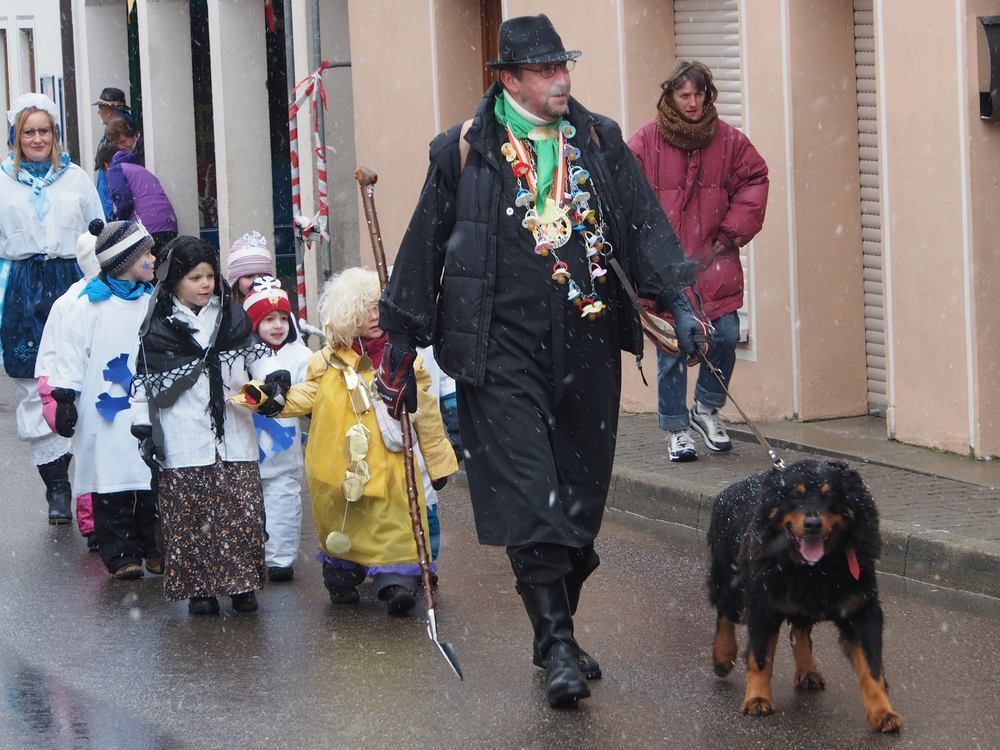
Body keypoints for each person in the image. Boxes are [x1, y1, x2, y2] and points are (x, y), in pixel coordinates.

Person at [377, 14, 709, 707]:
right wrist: (401, 348)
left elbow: (645, 225)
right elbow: (421, 251)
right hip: (498, 351)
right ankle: (557, 643)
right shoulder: (463, 151)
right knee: (534, 498)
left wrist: (679, 299)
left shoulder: (597, 140)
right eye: (545, 70)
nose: (562, 80)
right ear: (509, 80)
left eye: (565, 68)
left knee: (581, 505)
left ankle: (551, 619)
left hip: (587, 343)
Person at [240, 267, 457, 616]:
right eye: (365, 309)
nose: (375, 317)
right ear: (346, 314)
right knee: (344, 521)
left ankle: (396, 578)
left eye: (379, 307)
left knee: (393, 519)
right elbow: (304, 397)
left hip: (391, 467)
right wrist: (270, 398)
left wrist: (438, 461)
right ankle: (342, 571)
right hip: (337, 469)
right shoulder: (325, 363)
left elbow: (426, 414)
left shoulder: (404, 361)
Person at [628, 61, 768, 463]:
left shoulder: (728, 141)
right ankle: (675, 429)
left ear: (709, 95)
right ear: (670, 96)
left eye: (699, 94)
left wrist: (729, 233)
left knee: (725, 333)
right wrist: (645, 243)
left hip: (713, 260)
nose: (692, 103)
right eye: (684, 95)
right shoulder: (646, 140)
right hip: (664, 267)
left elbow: (755, 180)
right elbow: (625, 190)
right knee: (672, 345)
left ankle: (706, 408)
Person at [130, 236, 268, 615]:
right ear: (175, 280)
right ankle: (200, 590)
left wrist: (275, 383)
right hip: (183, 437)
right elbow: (142, 383)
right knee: (191, 520)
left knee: (241, 515)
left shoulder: (233, 319)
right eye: (195, 277)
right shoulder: (156, 329)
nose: (205, 284)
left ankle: (242, 586)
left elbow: (259, 365)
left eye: (209, 276)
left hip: (235, 436)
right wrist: (142, 426)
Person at [0, 93, 105, 523]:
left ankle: (93, 487)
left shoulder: (77, 178)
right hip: (22, 285)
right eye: (29, 131)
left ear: (55, 134)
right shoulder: (2, 179)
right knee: (33, 388)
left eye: (44, 130)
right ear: (16, 136)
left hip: (70, 282)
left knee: (81, 379)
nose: (37, 138)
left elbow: (100, 234)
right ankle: (57, 486)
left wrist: (104, 284)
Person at [45, 220, 161, 579]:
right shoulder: (88, 305)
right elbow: (69, 351)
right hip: (104, 408)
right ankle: (121, 551)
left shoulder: (152, 303)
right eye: (146, 254)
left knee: (151, 477)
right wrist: (64, 395)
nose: (154, 259)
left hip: (147, 403)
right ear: (124, 261)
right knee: (110, 479)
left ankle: (157, 546)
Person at [35, 223, 104, 549]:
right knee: (89, 457)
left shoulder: (133, 295)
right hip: (82, 393)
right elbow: (51, 355)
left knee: (124, 459)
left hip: (119, 390)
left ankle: (130, 523)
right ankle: (93, 524)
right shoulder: (71, 302)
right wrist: (54, 398)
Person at [241, 275, 311, 582]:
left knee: (283, 501)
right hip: (247, 446)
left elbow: (313, 387)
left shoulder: (300, 355)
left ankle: (280, 559)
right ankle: (248, 554)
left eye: (283, 318)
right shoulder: (241, 353)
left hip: (283, 449)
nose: (277, 325)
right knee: (246, 505)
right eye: (268, 319)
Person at [97, 143, 178, 255]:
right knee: (163, 268)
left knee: (143, 268)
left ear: (106, 165)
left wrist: (118, 224)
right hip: (169, 225)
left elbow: (125, 202)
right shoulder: (140, 169)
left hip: (147, 228)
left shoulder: (115, 170)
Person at [92, 87, 140, 218]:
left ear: (108, 110)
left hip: (115, 207)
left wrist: (112, 216)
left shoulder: (120, 132)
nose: (99, 112)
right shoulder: (124, 129)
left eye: (101, 108)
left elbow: (115, 178)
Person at [226, 231, 275, 305]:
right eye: (249, 276)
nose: (257, 281)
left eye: (262, 276)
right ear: (235, 281)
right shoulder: (228, 313)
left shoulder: (280, 309)